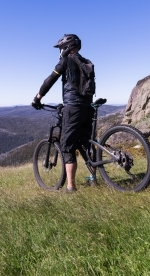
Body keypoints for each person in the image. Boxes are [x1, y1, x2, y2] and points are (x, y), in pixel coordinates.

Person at [32, 34, 96, 192]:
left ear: (67, 47)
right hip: (88, 107)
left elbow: (50, 80)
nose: (60, 50)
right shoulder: (86, 62)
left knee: (67, 147)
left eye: (61, 48)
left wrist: (38, 98)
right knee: (88, 143)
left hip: (72, 108)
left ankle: (70, 187)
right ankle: (93, 178)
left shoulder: (65, 61)